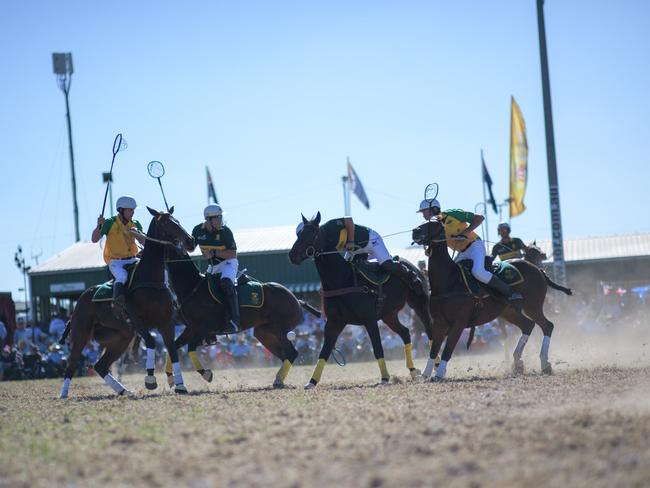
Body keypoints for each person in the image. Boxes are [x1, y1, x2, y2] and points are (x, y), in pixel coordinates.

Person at [417, 199, 522, 309]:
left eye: (425, 211)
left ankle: (511, 293)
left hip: (475, 246)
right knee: (452, 274)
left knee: (478, 272)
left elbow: (479, 218)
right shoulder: (432, 227)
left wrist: (464, 233)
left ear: (434, 209)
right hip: (462, 253)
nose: (423, 215)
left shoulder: (451, 213)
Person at [296, 216, 423, 292]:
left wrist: (350, 241)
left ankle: (411, 276)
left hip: (371, 240)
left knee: (387, 265)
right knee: (345, 272)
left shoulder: (329, 226)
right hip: (355, 251)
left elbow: (349, 220)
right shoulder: (319, 243)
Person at [91, 196, 143, 318]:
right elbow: (94, 239)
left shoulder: (135, 224)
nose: (132, 213)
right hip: (116, 262)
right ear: (121, 210)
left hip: (133, 258)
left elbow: (144, 242)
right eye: (130, 210)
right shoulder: (110, 222)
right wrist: (99, 225)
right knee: (122, 276)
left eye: (133, 210)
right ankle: (118, 305)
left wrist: (138, 234)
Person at [192, 204, 240, 333]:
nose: (220, 220)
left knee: (226, 283)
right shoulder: (197, 230)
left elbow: (233, 254)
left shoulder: (226, 231)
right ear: (208, 220)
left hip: (228, 263)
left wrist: (213, 253)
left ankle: (235, 321)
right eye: (217, 218)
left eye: (220, 217)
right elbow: (190, 247)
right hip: (213, 267)